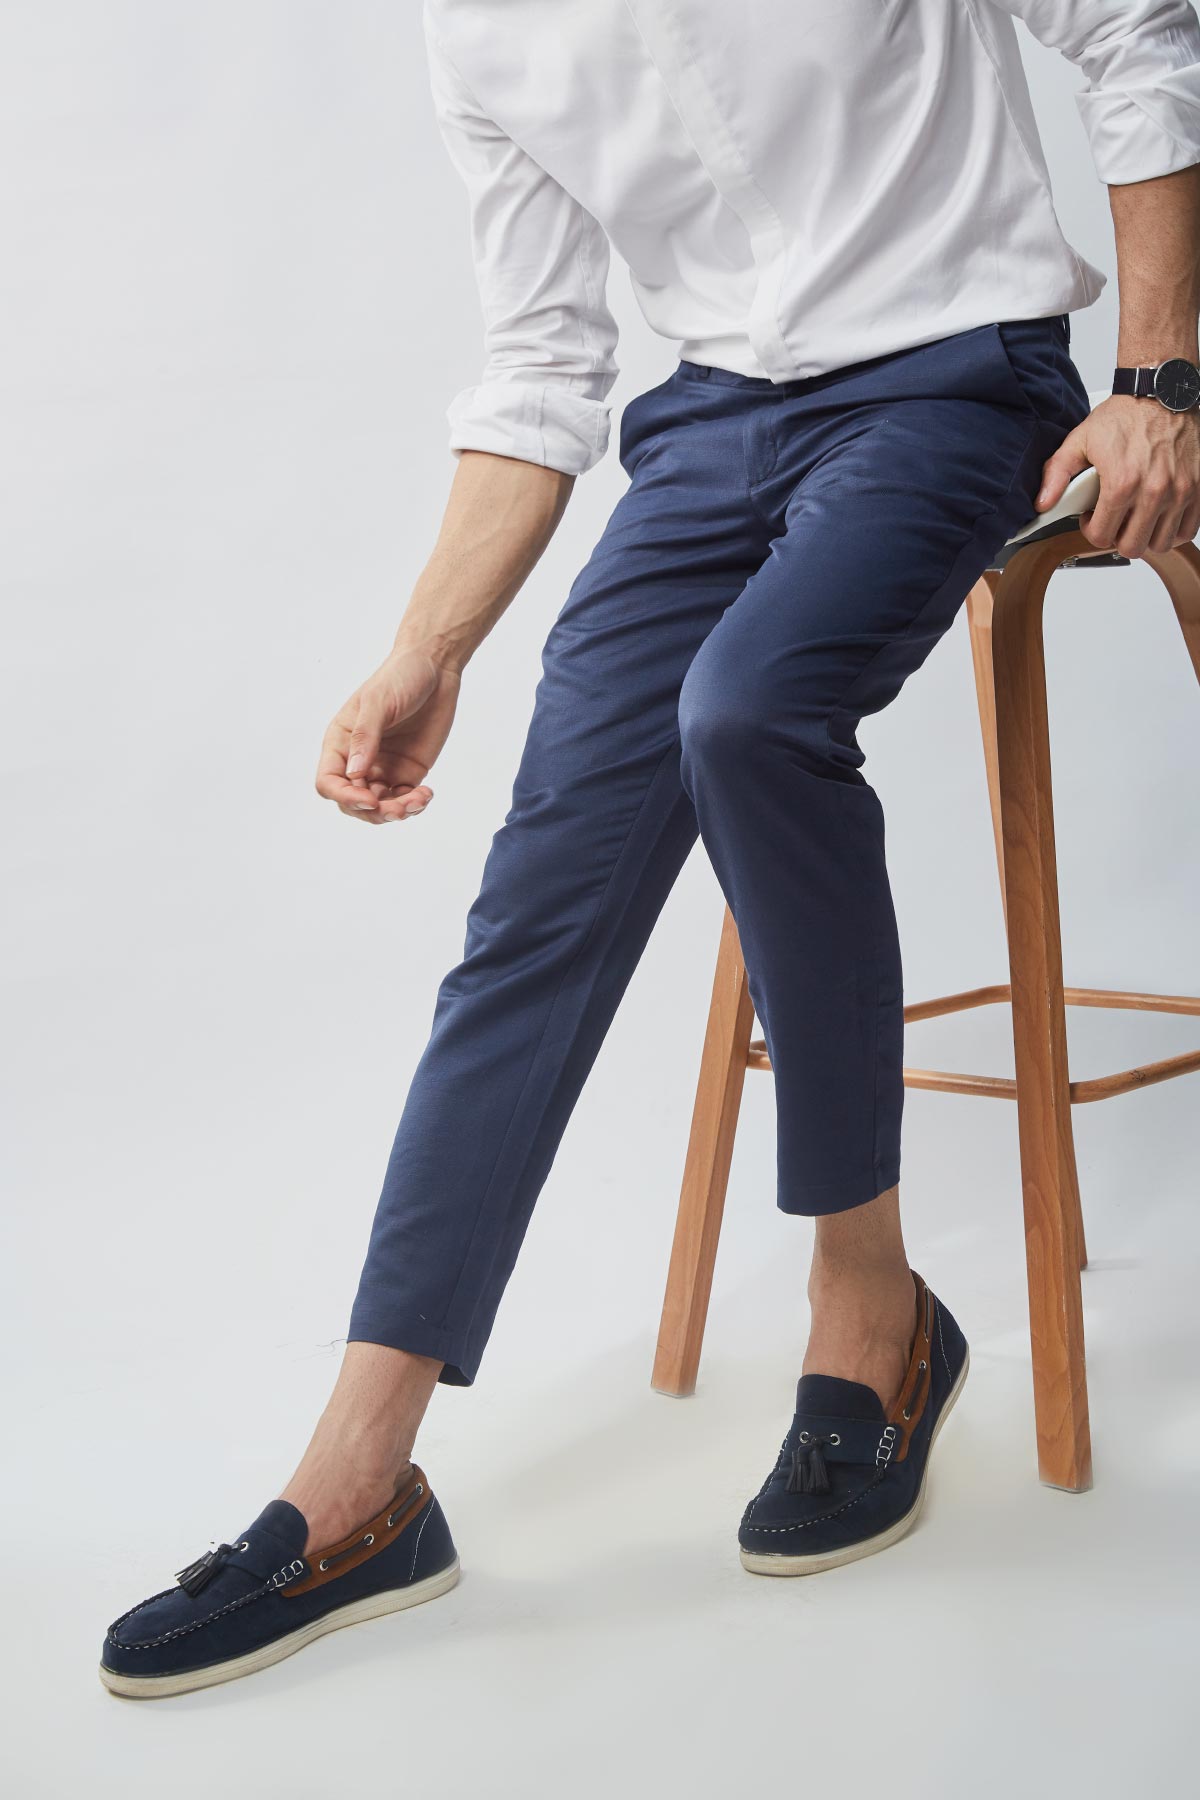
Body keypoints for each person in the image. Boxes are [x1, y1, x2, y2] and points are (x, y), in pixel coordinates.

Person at [100, 0, 1200, 1698]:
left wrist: (1155, 379)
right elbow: (541, 367)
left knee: (745, 713)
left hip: (953, 381)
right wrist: (426, 652)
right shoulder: (479, 30)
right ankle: (360, 1479)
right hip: (707, 435)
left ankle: (874, 1307)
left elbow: (1137, 25)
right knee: (540, 891)